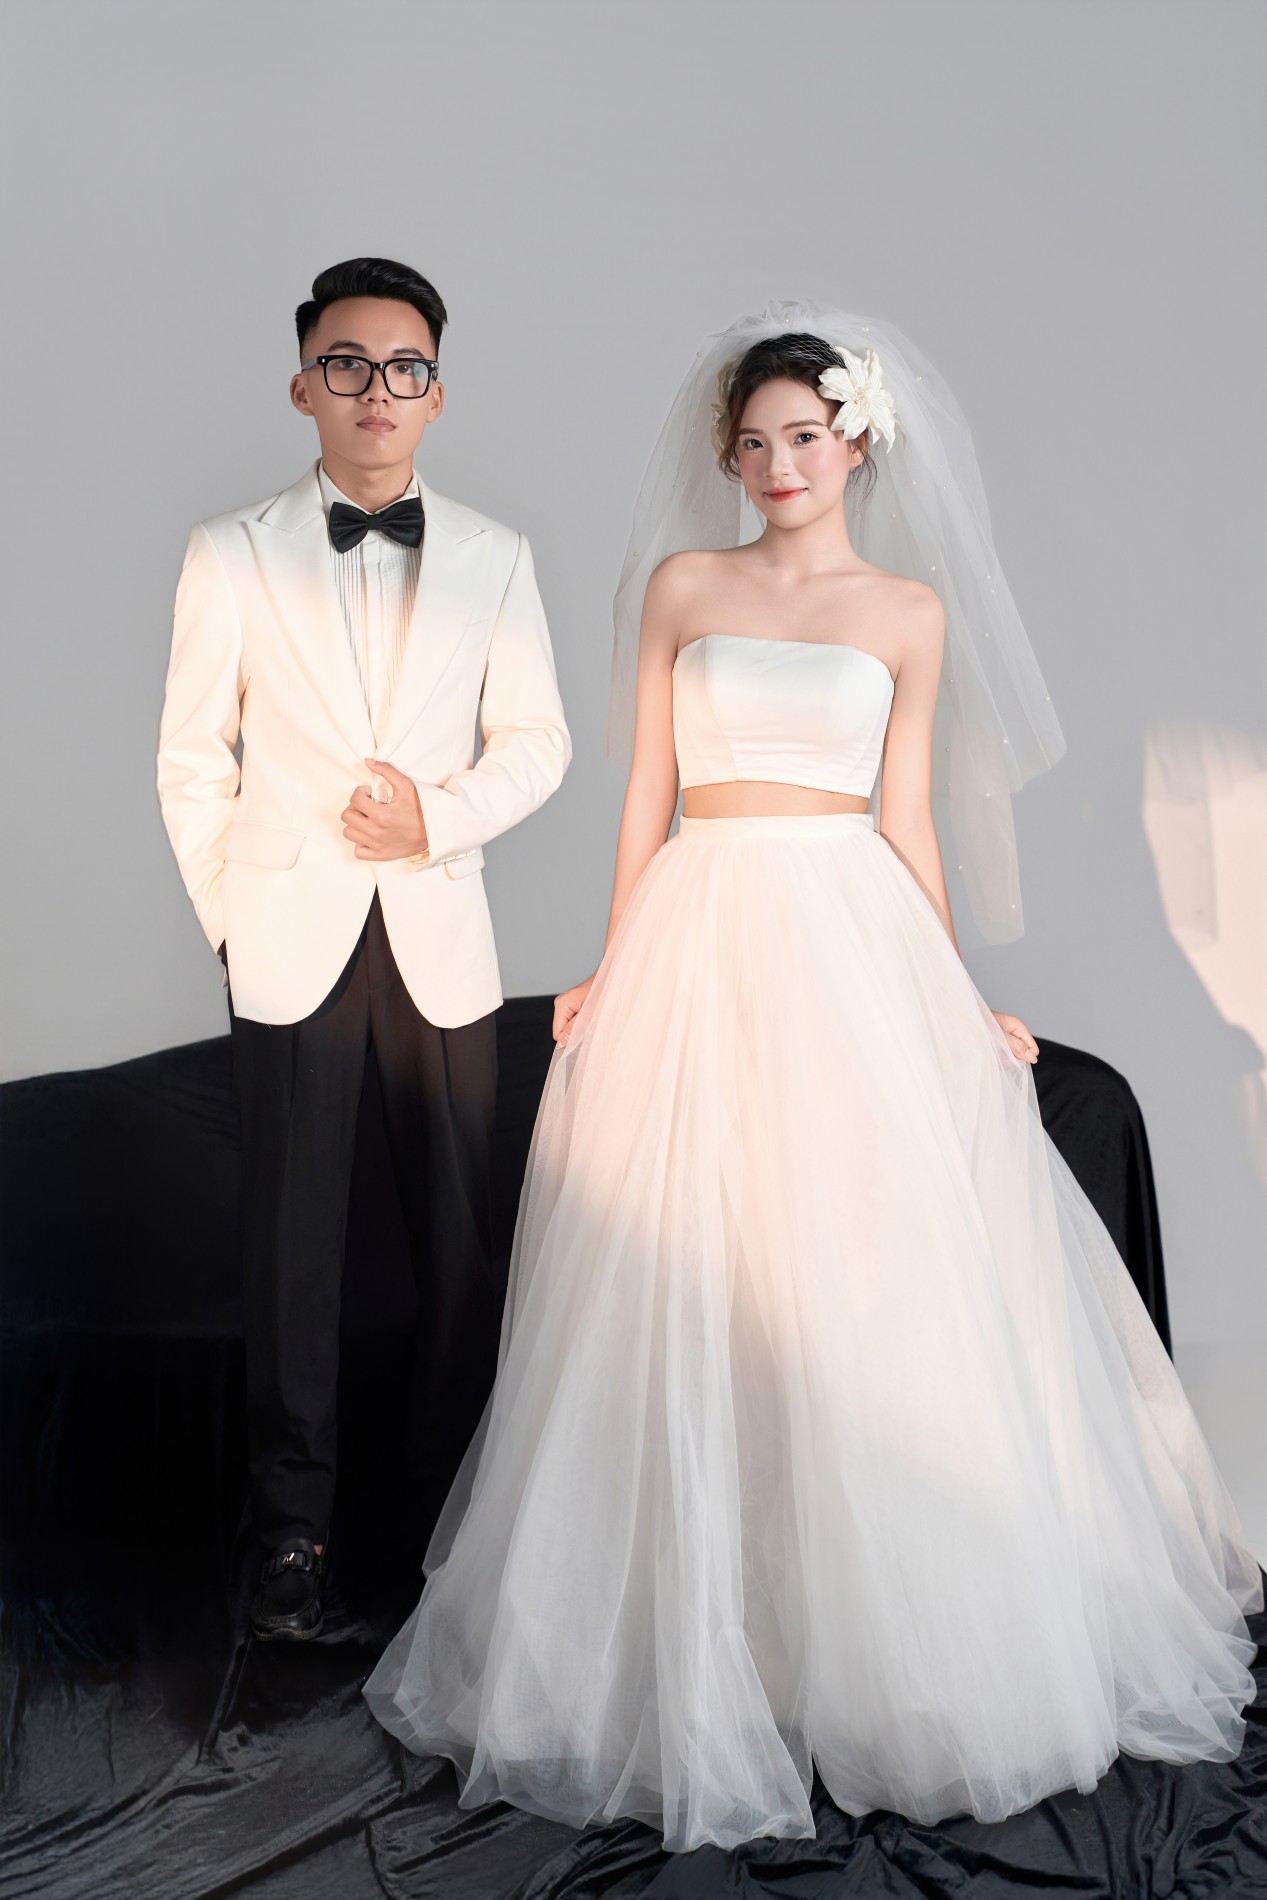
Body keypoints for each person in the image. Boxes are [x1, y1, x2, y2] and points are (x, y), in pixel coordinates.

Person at [363, 302, 1260, 1850]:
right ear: (728, 457)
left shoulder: (907, 612)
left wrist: (958, 994)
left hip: (851, 931)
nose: (781, 465)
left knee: (859, 1271)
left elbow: (906, 816)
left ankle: (881, 1651)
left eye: (807, 438)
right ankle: (707, 1646)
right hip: (701, 921)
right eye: (757, 442)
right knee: (697, 1272)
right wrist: (608, 960)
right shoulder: (684, 585)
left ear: (856, 448)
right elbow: (647, 790)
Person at [157, 257, 570, 1642]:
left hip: (438, 928)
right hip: (288, 938)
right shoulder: (229, 551)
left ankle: (453, 1529)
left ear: (437, 393)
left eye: (403, 368)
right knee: (292, 1251)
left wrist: (434, 818)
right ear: (303, 388)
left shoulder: (498, 557)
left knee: (458, 1246)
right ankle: (293, 1536)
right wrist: (233, 924)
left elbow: (539, 744)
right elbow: (189, 761)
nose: (375, 389)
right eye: (346, 365)